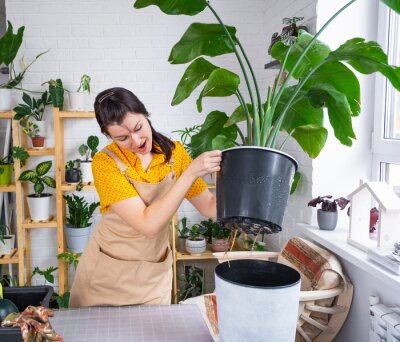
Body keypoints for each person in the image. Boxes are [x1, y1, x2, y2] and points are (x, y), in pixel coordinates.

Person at [69, 87, 221, 308]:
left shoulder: (174, 153)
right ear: (109, 137)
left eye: (139, 127)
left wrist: (247, 187)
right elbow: (147, 224)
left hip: (153, 276)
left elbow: (209, 206)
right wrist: (189, 174)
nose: (136, 140)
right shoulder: (105, 162)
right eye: (122, 138)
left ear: (145, 115)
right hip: (106, 276)